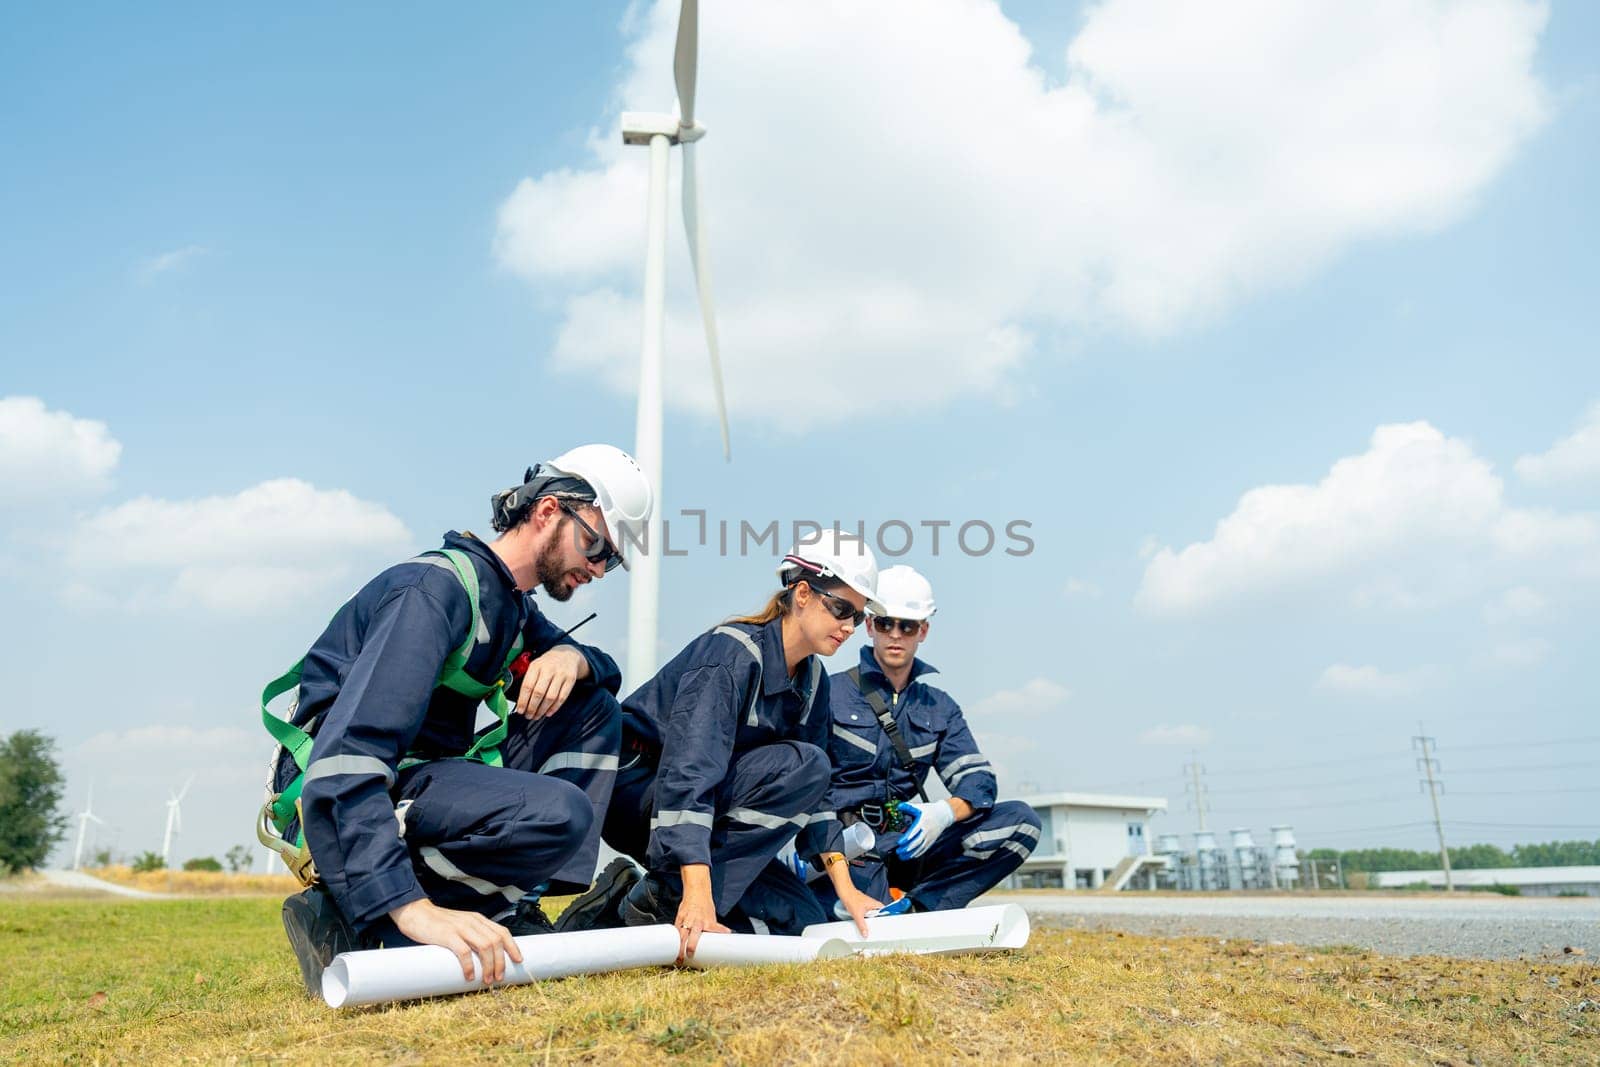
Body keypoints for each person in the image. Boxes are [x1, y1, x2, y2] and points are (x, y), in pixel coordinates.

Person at [264, 445, 652, 996]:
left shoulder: (512, 608)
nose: (597, 568)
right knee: (558, 810)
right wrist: (410, 908)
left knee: (593, 709)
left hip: (417, 776)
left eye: (610, 559)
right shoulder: (434, 593)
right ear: (547, 511)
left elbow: (603, 676)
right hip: (336, 790)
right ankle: (363, 916)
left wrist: (576, 658)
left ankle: (511, 906)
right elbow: (348, 755)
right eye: (595, 544)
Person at [558, 531, 887, 959]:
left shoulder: (812, 682)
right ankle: (668, 895)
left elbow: (819, 803)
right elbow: (689, 771)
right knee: (806, 764)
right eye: (842, 608)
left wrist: (848, 893)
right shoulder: (731, 654)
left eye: (858, 618)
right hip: (642, 794)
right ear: (803, 593)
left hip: (704, 807)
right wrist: (696, 892)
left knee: (801, 921)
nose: (849, 626)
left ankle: (616, 911)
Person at [812, 565, 1040, 917]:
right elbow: (810, 788)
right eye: (886, 623)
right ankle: (877, 906)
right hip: (849, 848)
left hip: (910, 841)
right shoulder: (830, 693)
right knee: (860, 919)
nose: (896, 635)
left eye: (908, 625)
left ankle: (920, 907)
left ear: (924, 631)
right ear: (870, 625)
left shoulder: (940, 707)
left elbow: (979, 784)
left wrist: (943, 813)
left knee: (1022, 821)